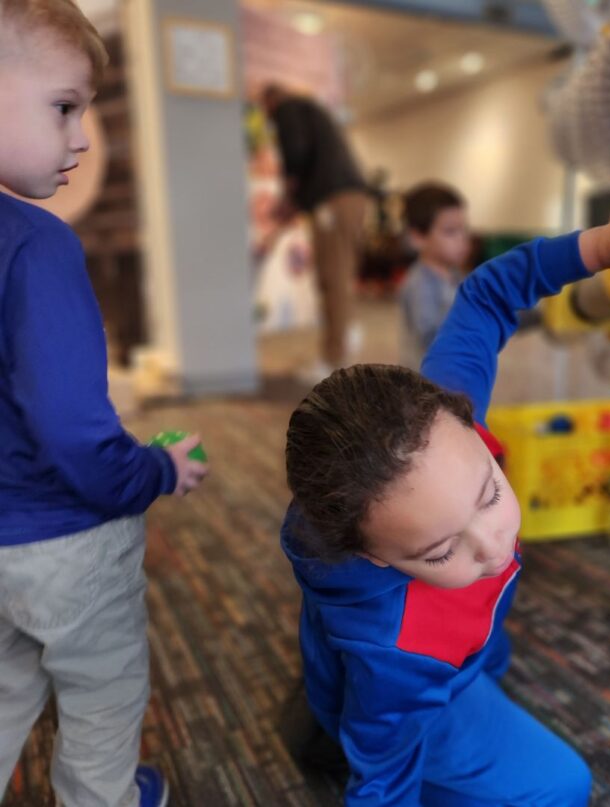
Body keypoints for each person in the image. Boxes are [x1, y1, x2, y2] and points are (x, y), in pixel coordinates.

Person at [282, 195, 610, 805]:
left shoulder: (439, 424)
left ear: (464, 420)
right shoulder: (398, 653)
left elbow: (486, 295)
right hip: (403, 695)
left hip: (432, 656)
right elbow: (381, 779)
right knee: (563, 785)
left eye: (490, 493)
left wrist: (598, 248)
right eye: (442, 551)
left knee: (473, 648)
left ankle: (441, 671)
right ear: (376, 557)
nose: (495, 546)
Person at [0, 3, 208, 806]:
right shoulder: (39, 243)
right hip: (67, 540)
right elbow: (74, 433)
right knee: (102, 691)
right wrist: (157, 469)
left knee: (9, 680)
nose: (82, 137)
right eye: (64, 107)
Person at [260, 83, 369, 382]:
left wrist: (289, 199)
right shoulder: (314, 111)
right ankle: (348, 331)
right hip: (352, 198)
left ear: (269, 102)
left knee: (331, 278)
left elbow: (295, 154)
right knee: (340, 274)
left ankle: (334, 358)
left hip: (332, 201)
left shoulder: (287, 109)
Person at [399, 181, 470, 369]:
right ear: (418, 238)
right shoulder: (419, 283)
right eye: (450, 232)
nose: (461, 239)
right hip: (424, 386)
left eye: (464, 230)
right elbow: (428, 336)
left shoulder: (456, 276)